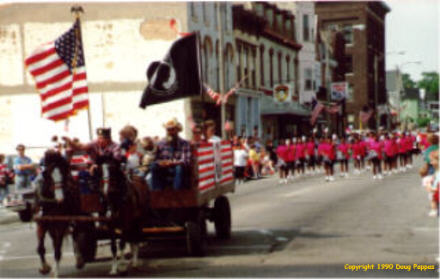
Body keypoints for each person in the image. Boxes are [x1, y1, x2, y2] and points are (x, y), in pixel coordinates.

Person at [150, 118, 191, 190]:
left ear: (177, 130)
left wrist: (174, 163)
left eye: (172, 129)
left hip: (177, 169)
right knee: (154, 166)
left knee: (179, 168)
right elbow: (155, 159)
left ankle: (176, 193)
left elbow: (186, 161)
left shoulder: (184, 143)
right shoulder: (161, 143)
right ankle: (157, 192)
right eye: (168, 130)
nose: (170, 132)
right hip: (164, 170)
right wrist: (160, 163)